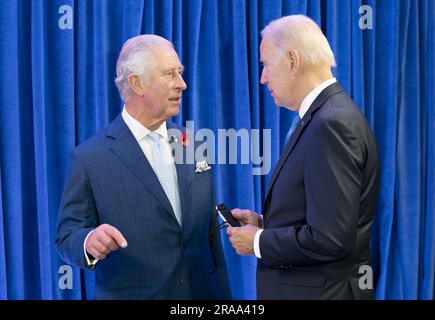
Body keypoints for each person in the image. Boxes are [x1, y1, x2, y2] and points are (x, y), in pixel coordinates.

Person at [56, 35, 231, 300]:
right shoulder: (89, 158)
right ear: (137, 83)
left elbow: (209, 241)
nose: (182, 84)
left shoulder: (194, 143)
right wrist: (89, 241)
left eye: (180, 73)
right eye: (169, 74)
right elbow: (67, 236)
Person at [226, 15, 379, 300]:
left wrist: (258, 241)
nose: (262, 78)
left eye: (265, 64)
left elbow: (330, 239)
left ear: (293, 61)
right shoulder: (327, 116)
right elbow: (326, 218)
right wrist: (265, 224)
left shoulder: (331, 125)